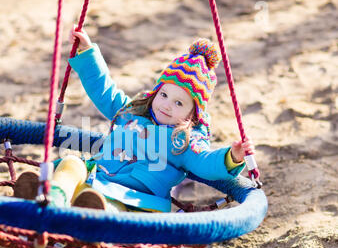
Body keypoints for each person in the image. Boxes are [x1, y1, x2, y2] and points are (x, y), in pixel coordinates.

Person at [14, 26, 255, 213]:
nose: (167, 105)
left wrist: (232, 157)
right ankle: (51, 198)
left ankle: (91, 218)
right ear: (156, 92)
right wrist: (87, 53)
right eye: (164, 94)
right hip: (96, 178)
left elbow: (205, 163)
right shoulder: (132, 112)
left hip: (135, 200)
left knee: (112, 208)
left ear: (193, 114)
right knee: (71, 163)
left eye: (179, 103)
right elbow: (104, 90)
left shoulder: (185, 141)